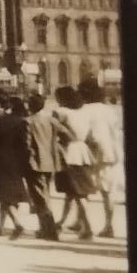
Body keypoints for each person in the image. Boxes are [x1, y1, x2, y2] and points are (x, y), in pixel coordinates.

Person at [52, 84, 98, 240]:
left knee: (77, 194)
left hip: (70, 153)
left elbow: (53, 128)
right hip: (83, 152)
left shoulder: (62, 112)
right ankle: (61, 223)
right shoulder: (84, 113)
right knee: (72, 193)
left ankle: (89, 228)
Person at [0, 96, 30, 238]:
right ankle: (0, 227)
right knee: (9, 194)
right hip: (16, 162)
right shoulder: (20, 122)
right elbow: (24, 144)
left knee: (3, 195)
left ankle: (17, 224)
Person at [79, 78, 122, 238]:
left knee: (84, 189)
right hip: (111, 152)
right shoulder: (108, 109)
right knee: (108, 191)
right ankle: (109, 225)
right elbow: (116, 131)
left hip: (93, 154)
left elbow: (84, 133)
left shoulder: (85, 109)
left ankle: (85, 226)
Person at [25, 91, 62, 240]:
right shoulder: (51, 120)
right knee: (45, 195)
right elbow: (65, 132)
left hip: (35, 163)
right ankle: (43, 228)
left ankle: (50, 230)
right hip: (51, 162)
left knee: (40, 197)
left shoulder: (28, 121)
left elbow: (26, 145)